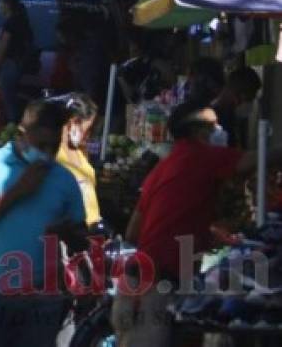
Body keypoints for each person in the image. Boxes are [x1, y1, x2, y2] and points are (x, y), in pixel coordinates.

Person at [113, 99, 282, 347]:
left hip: (134, 277)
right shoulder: (201, 156)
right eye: (213, 125)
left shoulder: (163, 168)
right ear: (196, 131)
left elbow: (133, 231)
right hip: (161, 280)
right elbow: (253, 160)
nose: (219, 130)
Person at [0, 99, 85, 347]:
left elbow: (82, 239)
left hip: (42, 300)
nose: (47, 154)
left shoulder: (65, 179)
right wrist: (18, 190)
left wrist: (68, 233)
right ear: (21, 135)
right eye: (41, 145)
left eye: (54, 147)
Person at [54, 93, 101, 228]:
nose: (89, 135)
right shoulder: (54, 155)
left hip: (92, 231)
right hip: (72, 234)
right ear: (73, 122)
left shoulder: (81, 151)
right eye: (88, 129)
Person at [0, 0, 34, 124]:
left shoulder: (10, 24)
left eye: (1, 3)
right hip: (21, 64)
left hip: (10, 65)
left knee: (8, 100)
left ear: (7, 5)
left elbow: (2, 48)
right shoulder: (23, 21)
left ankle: (12, 126)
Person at [211, 66, 261, 147]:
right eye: (249, 99)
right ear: (241, 96)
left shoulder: (228, 115)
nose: (249, 104)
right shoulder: (214, 119)